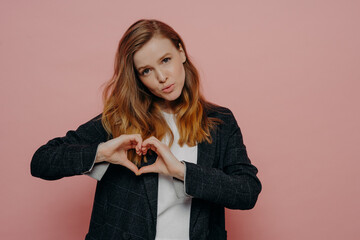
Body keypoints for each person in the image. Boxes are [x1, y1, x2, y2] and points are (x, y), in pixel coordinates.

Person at [31, 19, 262, 240]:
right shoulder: (120, 120)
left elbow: (247, 191)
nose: (162, 77)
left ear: (181, 52)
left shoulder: (219, 121)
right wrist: (100, 153)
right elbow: (41, 161)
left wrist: (182, 171)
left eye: (165, 60)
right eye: (146, 71)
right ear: (137, 78)